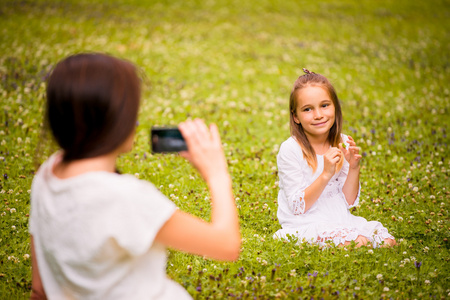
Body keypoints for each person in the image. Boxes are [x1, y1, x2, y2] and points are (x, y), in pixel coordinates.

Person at [29, 53, 240, 299]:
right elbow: (226, 245)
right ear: (115, 117)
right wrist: (217, 173)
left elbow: (40, 289)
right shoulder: (124, 198)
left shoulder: (46, 176)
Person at [273, 68, 396, 248]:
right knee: (356, 242)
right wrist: (325, 174)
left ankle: (349, 237)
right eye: (307, 109)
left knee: (387, 241)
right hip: (305, 222)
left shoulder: (342, 142)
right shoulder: (290, 149)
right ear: (296, 117)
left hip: (339, 218)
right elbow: (298, 207)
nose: (318, 115)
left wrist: (354, 168)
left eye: (324, 105)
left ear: (335, 107)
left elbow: (348, 201)